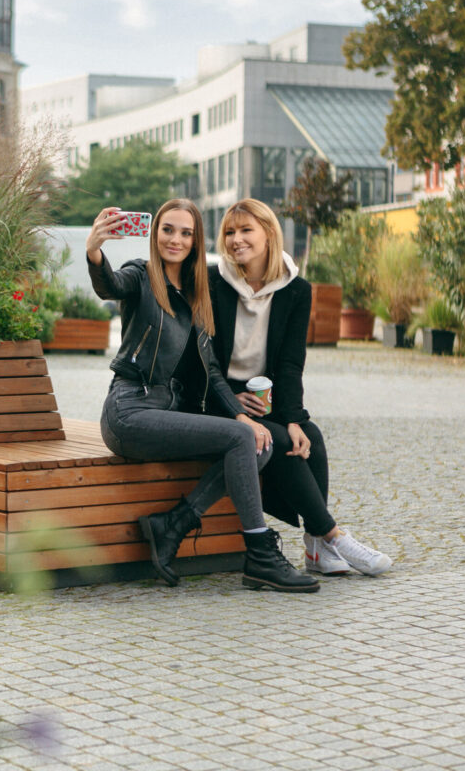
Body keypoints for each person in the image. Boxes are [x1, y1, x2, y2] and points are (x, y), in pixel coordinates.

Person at [87, 199, 319, 593]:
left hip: (170, 412)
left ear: (196, 242)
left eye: (186, 233)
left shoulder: (199, 295)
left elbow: (211, 371)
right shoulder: (140, 276)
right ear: (155, 232)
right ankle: (260, 553)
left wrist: (243, 417)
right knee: (245, 437)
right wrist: (95, 251)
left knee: (258, 442)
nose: (175, 239)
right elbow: (111, 286)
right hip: (129, 410)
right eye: (167, 229)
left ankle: (172, 524)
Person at [209, 198, 392, 576]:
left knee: (308, 436)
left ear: (268, 234)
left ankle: (315, 551)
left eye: (246, 230)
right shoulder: (213, 282)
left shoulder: (296, 289)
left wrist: (292, 417)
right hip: (217, 396)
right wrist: (232, 399)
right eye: (229, 232)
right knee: (273, 440)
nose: (235, 240)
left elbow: (290, 364)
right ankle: (332, 536)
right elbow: (203, 360)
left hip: (265, 395)